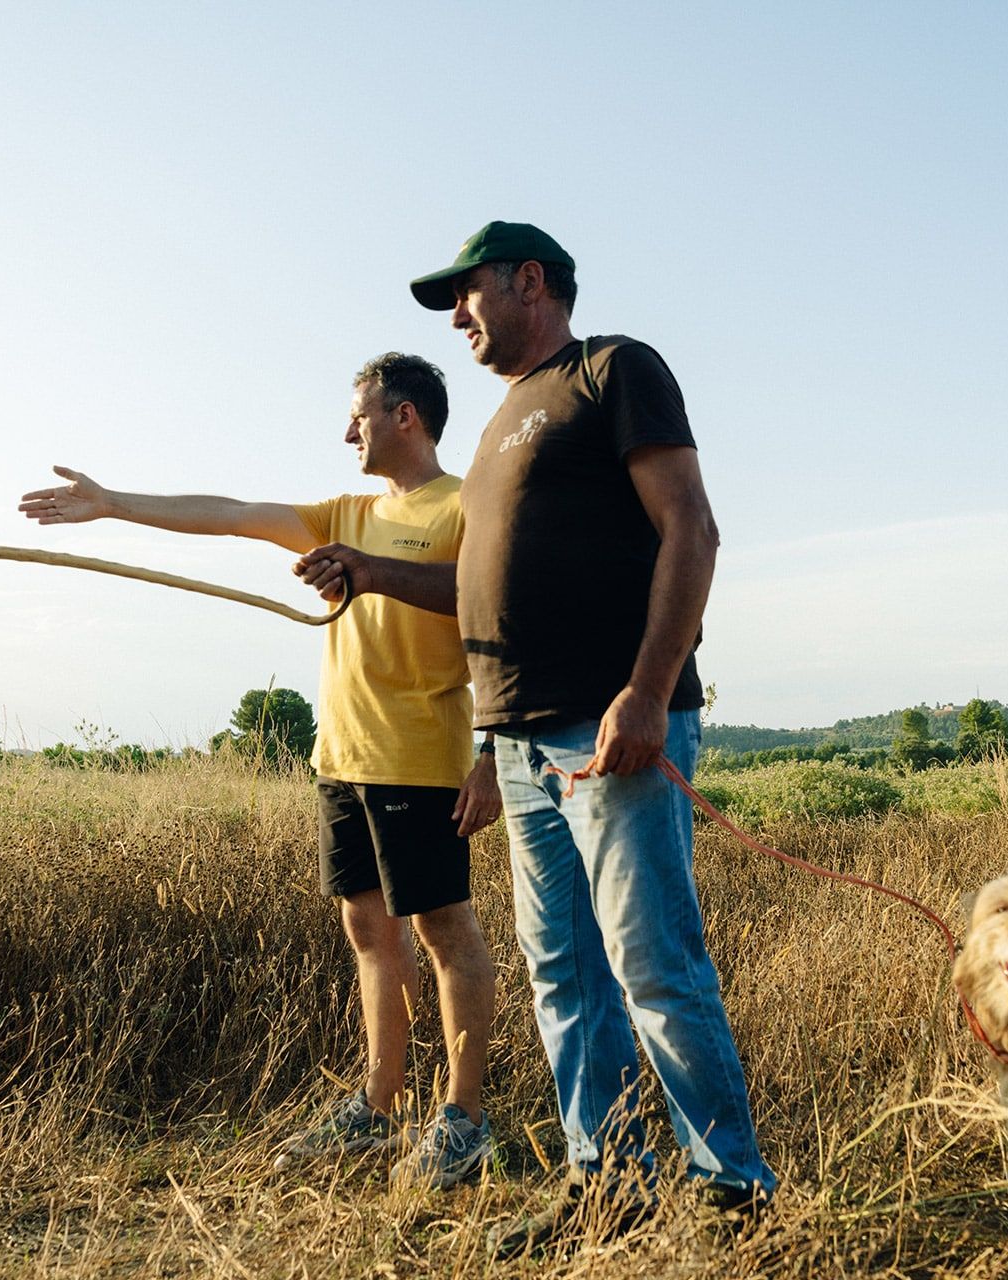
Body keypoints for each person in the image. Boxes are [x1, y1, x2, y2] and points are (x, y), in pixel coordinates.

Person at [295, 223, 776, 1255]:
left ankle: (736, 1193)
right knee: (562, 967)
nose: (459, 318)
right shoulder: (501, 421)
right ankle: (608, 1184)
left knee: (651, 959)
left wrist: (646, 693)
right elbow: (476, 590)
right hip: (517, 742)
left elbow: (692, 527)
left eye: (467, 296)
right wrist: (371, 572)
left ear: (530, 282)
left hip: (610, 729)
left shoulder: (613, 370)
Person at [18, 352, 501, 1191]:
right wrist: (114, 505)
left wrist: (493, 755)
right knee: (370, 932)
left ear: (405, 417)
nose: (347, 430)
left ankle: (464, 1121)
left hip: (421, 758)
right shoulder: (343, 511)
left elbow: (495, 612)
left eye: (360, 414)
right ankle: (377, 1113)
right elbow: (234, 514)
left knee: (444, 934)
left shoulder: (465, 505)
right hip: (340, 759)